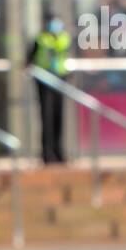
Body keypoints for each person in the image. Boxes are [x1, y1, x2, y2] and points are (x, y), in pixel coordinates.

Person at [29, 15, 70, 164]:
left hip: (59, 80)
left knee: (58, 118)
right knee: (46, 118)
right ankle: (47, 155)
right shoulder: (40, 39)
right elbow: (30, 60)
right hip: (44, 82)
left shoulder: (64, 38)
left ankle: (59, 153)